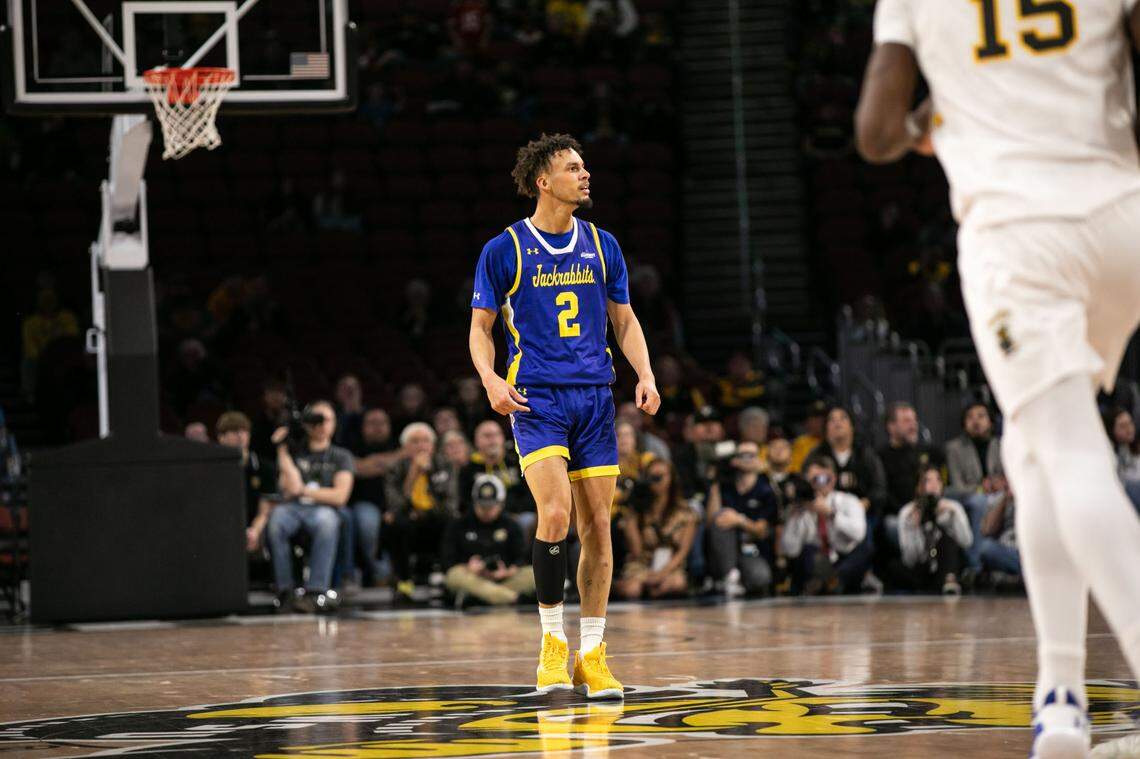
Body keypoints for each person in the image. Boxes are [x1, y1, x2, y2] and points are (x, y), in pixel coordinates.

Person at [856, 3, 1140, 753]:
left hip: (1020, 240)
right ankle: (1061, 698)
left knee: (1072, 454)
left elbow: (876, 134)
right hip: (1124, 216)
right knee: (1032, 446)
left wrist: (929, 120)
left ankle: (1074, 686)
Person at [469, 133, 659, 699]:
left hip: (595, 397)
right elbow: (480, 328)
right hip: (537, 398)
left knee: (598, 524)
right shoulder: (504, 249)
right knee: (555, 514)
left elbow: (624, 320)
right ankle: (552, 644)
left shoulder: (602, 244)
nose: (585, 174)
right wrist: (491, 380)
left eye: (584, 166)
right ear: (543, 181)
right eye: (573, 167)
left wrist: (645, 374)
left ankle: (592, 654)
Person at [266, 400, 355, 613]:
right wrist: (282, 449)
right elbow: (288, 489)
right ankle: (285, 589)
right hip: (293, 507)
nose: (321, 425)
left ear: (334, 423)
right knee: (276, 520)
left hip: (325, 509)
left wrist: (304, 491)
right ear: (306, 424)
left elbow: (340, 496)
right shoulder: (296, 452)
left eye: (326, 420)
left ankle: (316, 591)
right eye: (316, 420)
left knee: (326, 522)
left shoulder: (341, 456)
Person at [384, 422, 458, 600]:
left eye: (425, 441)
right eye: (415, 441)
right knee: (396, 524)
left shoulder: (445, 465)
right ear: (405, 447)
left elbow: (450, 505)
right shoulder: (395, 468)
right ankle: (404, 582)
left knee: (452, 522)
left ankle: (449, 581)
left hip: (437, 520)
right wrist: (413, 473)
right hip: (408, 523)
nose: (421, 446)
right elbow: (396, 506)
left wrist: (423, 513)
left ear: (433, 445)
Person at [443, 475, 536, 607]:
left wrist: (508, 571)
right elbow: (448, 562)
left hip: (504, 580)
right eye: (482, 506)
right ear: (474, 503)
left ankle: (482, 599)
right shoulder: (459, 525)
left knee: (533, 574)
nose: (486, 511)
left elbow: (522, 557)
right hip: (472, 579)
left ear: (501, 504)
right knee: (454, 575)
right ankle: (513, 598)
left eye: (491, 507)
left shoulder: (511, 525)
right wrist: (468, 567)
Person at [781, 458, 869, 596]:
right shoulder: (799, 508)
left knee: (865, 547)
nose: (819, 484)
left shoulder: (849, 501)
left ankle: (833, 582)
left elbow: (859, 534)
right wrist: (797, 515)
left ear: (833, 479)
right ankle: (829, 584)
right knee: (808, 551)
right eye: (813, 480)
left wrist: (831, 514)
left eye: (823, 479)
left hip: (844, 558)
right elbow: (790, 551)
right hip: (817, 561)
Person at [613, 459, 696, 600]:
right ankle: (614, 586)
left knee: (676, 583)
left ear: (671, 479)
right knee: (633, 589)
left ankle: (653, 590)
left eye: (659, 477)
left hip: (670, 566)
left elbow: (682, 551)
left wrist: (661, 574)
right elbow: (636, 552)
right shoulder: (638, 511)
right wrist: (631, 518)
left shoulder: (685, 512)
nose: (654, 482)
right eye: (650, 478)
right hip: (641, 565)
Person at [705, 440, 778, 597]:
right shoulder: (725, 486)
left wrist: (739, 520)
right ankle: (729, 577)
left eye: (752, 455)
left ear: (758, 460)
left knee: (760, 577)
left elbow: (761, 531)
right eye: (743, 455)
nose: (747, 459)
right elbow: (711, 522)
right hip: (724, 549)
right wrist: (715, 483)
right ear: (735, 460)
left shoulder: (765, 489)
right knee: (721, 515)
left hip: (752, 550)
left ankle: (736, 581)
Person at [348, 408, 402, 587]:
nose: (378, 427)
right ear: (363, 427)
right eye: (372, 423)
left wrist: (374, 463)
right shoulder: (354, 445)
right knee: (367, 523)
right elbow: (357, 468)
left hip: (396, 503)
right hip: (365, 502)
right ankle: (382, 573)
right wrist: (396, 458)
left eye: (382, 423)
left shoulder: (396, 443)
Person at [878, 402, 944, 550]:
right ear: (891, 427)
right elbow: (883, 495)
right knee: (895, 527)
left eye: (914, 420)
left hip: (929, 511)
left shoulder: (929, 452)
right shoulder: (880, 456)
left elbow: (940, 483)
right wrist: (909, 512)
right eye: (906, 421)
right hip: (898, 515)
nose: (913, 425)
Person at [896, 467, 971, 595]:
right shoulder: (907, 512)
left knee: (947, 540)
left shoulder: (953, 508)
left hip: (946, 565)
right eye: (928, 481)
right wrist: (914, 527)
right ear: (918, 487)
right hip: (921, 567)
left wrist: (954, 516)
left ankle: (950, 580)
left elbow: (966, 542)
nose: (934, 485)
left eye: (937, 480)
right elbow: (909, 559)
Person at [457, 420, 535, 531]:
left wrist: (510, 514)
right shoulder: (468, 469)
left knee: (528, 519)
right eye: (487, 436)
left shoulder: (517, 463)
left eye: (496, 435)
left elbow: (530, 494)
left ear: (503, 438)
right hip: (481, 519)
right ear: (476, 441)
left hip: (516, 516)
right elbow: (464, 502)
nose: (492, 440)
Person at [215, 411, 273, 558]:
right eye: (234, 431)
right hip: (223, 527)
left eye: (244, 431)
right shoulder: (212, 470)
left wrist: (254, 531)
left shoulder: (263, 467)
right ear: (221, 437)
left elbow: (265, 509)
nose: (241, 436)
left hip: (256, 527)